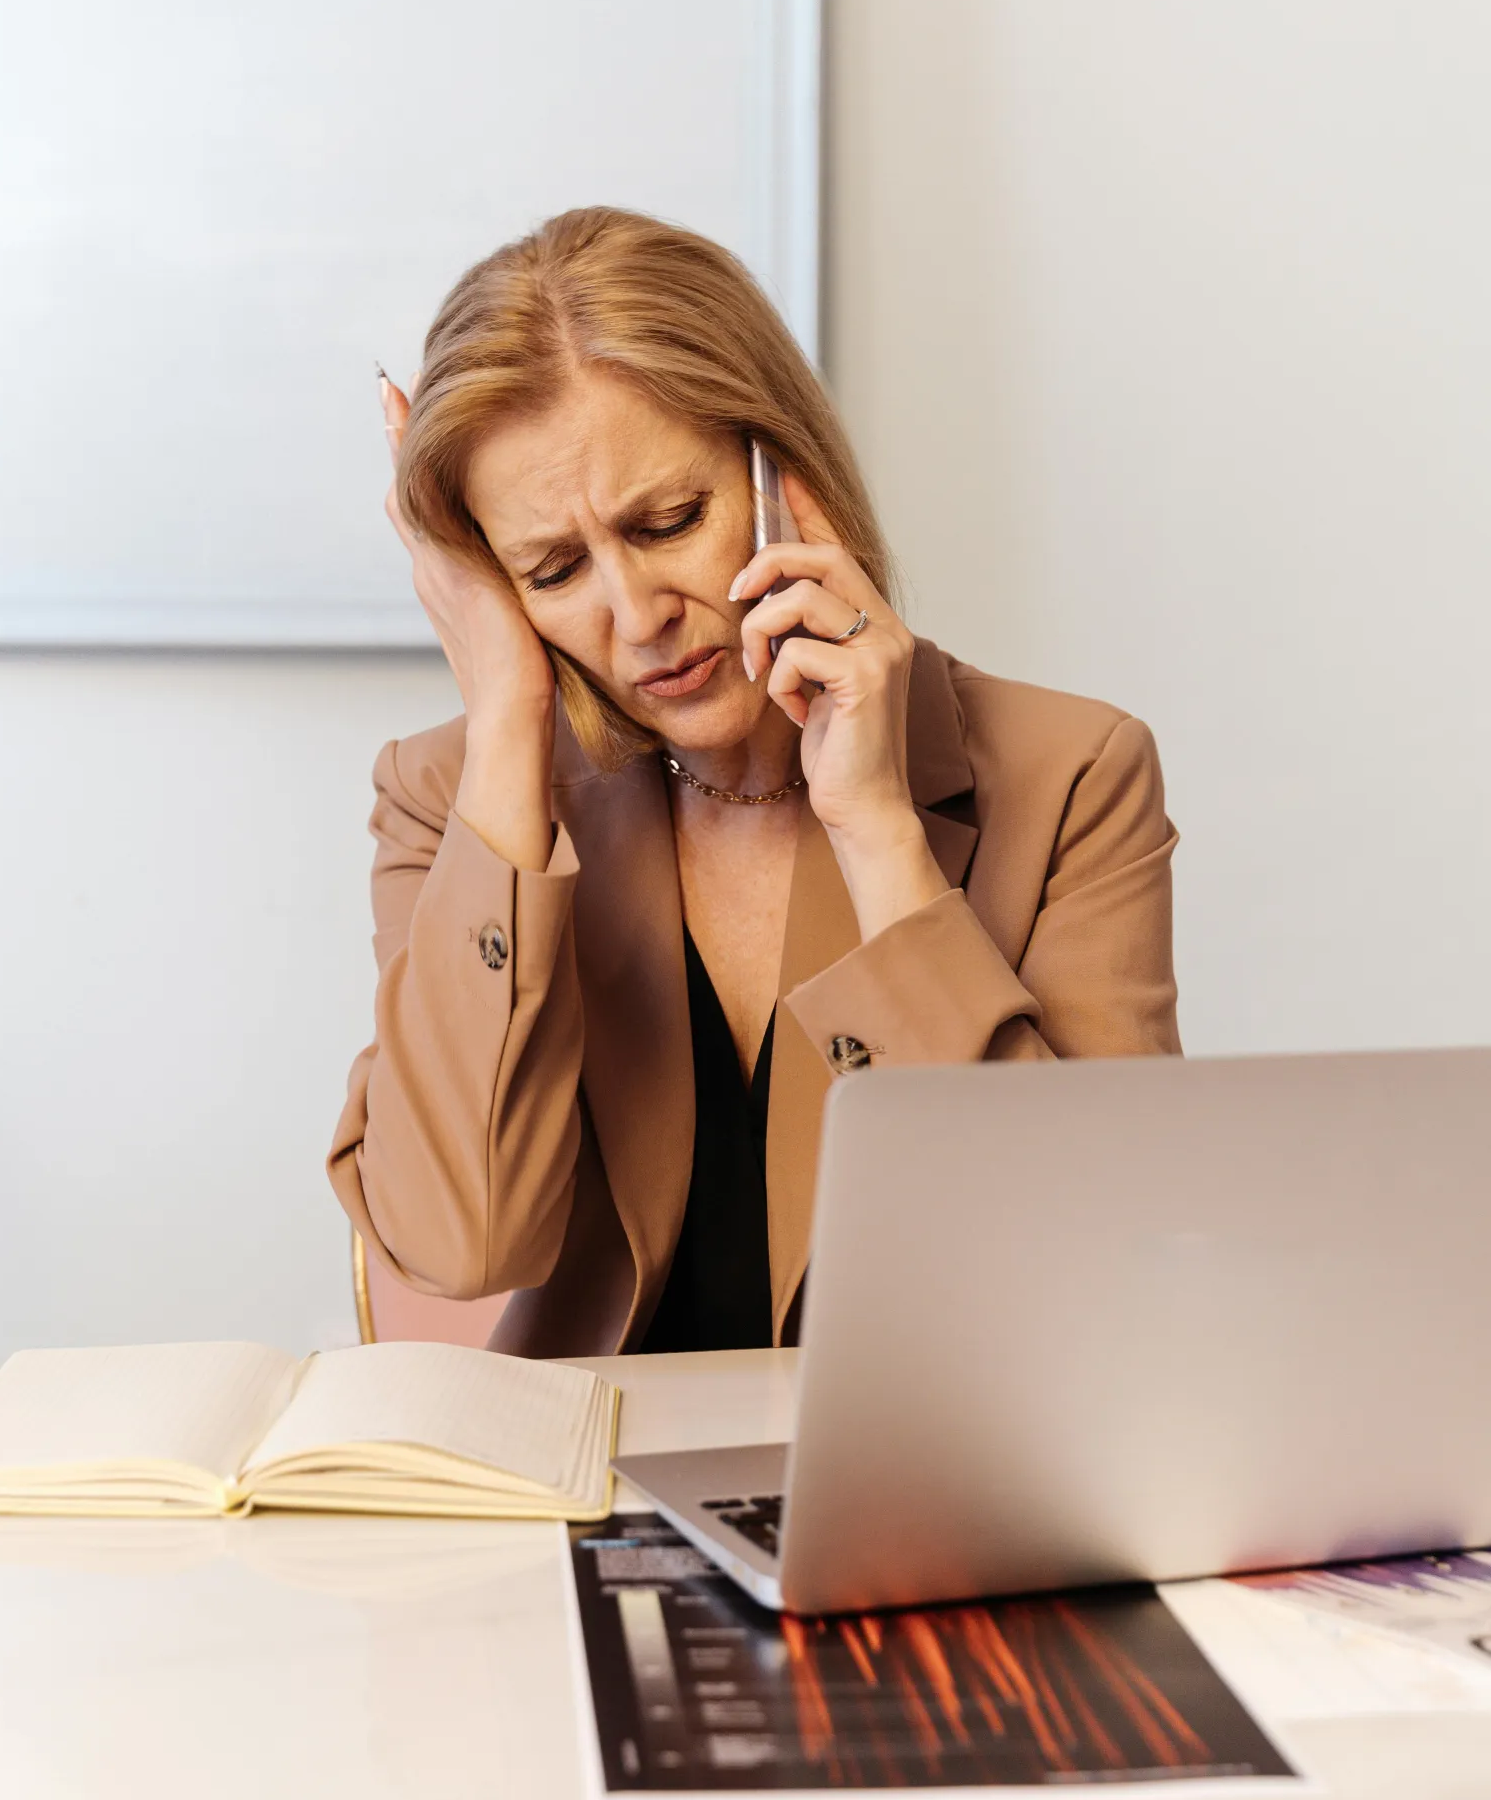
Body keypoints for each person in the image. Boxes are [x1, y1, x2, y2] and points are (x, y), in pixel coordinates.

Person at [329, 207, 1181, 1358]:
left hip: (933, 1496)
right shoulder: (455, 797)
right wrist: (506, 723)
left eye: (669, 522)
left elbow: (1078, 1276)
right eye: (553, 568)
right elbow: (459, 1244)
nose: (636, 620)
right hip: (585, 1497)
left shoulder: (1071, 774)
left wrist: (878, 831)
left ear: (786, 478)